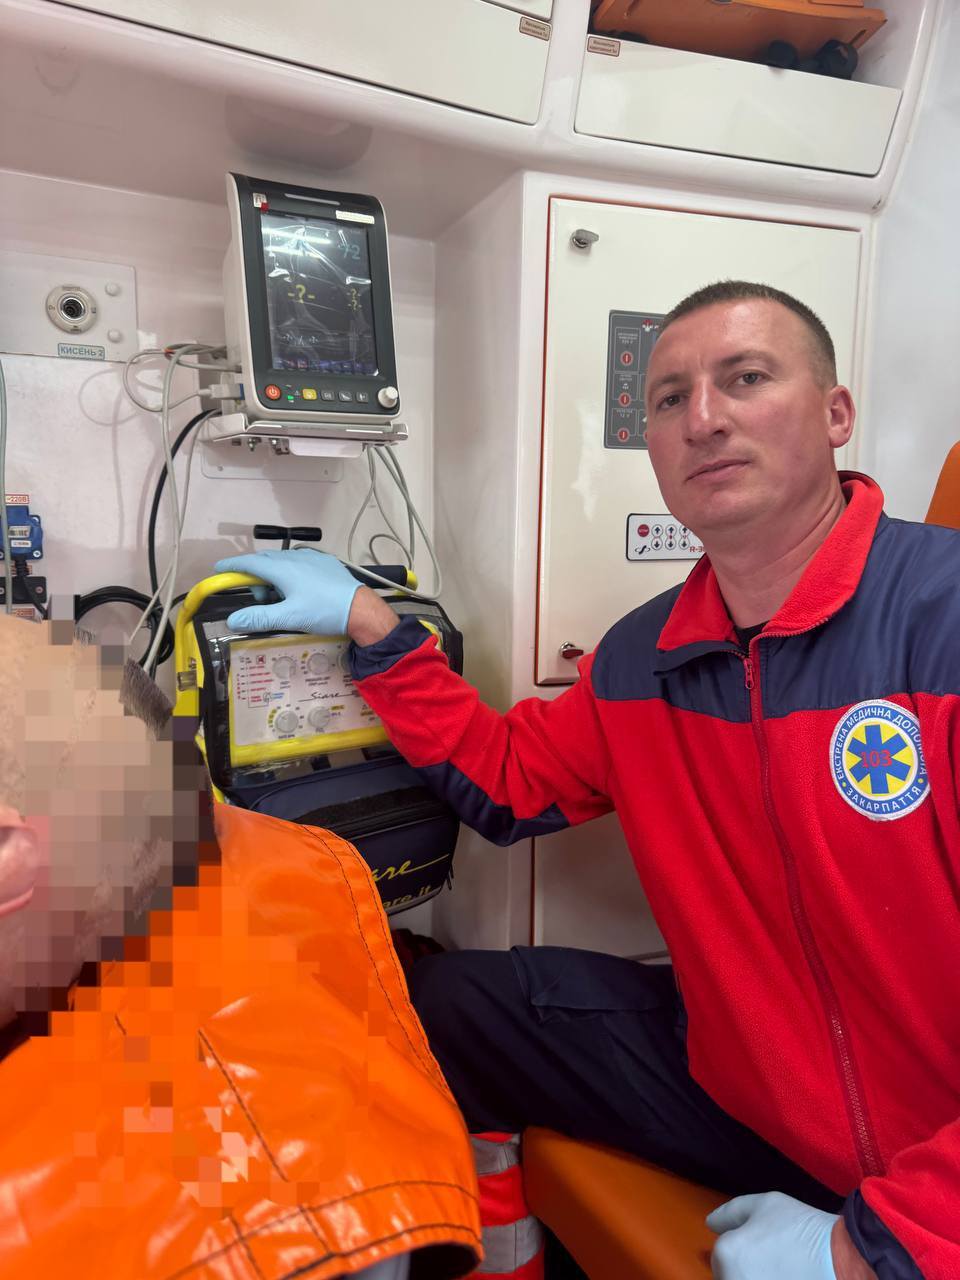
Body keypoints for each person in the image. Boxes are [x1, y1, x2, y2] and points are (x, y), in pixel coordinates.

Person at [217, 281, 960, 1280]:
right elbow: (507, 783)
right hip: (742, 1089)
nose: (704, 418)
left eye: (746, 378)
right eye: (669, 398)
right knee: (440, 1003)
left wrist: (874, 1246)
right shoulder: (644, 657)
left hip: (931, 1153)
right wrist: (374, 627)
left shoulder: (940, 618)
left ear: (836, 413)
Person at [0, 616, 481, 1279]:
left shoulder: (255, 1208)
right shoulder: (216, 858)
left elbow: (511, 780)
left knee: (466, 1000)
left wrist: (377, 628)